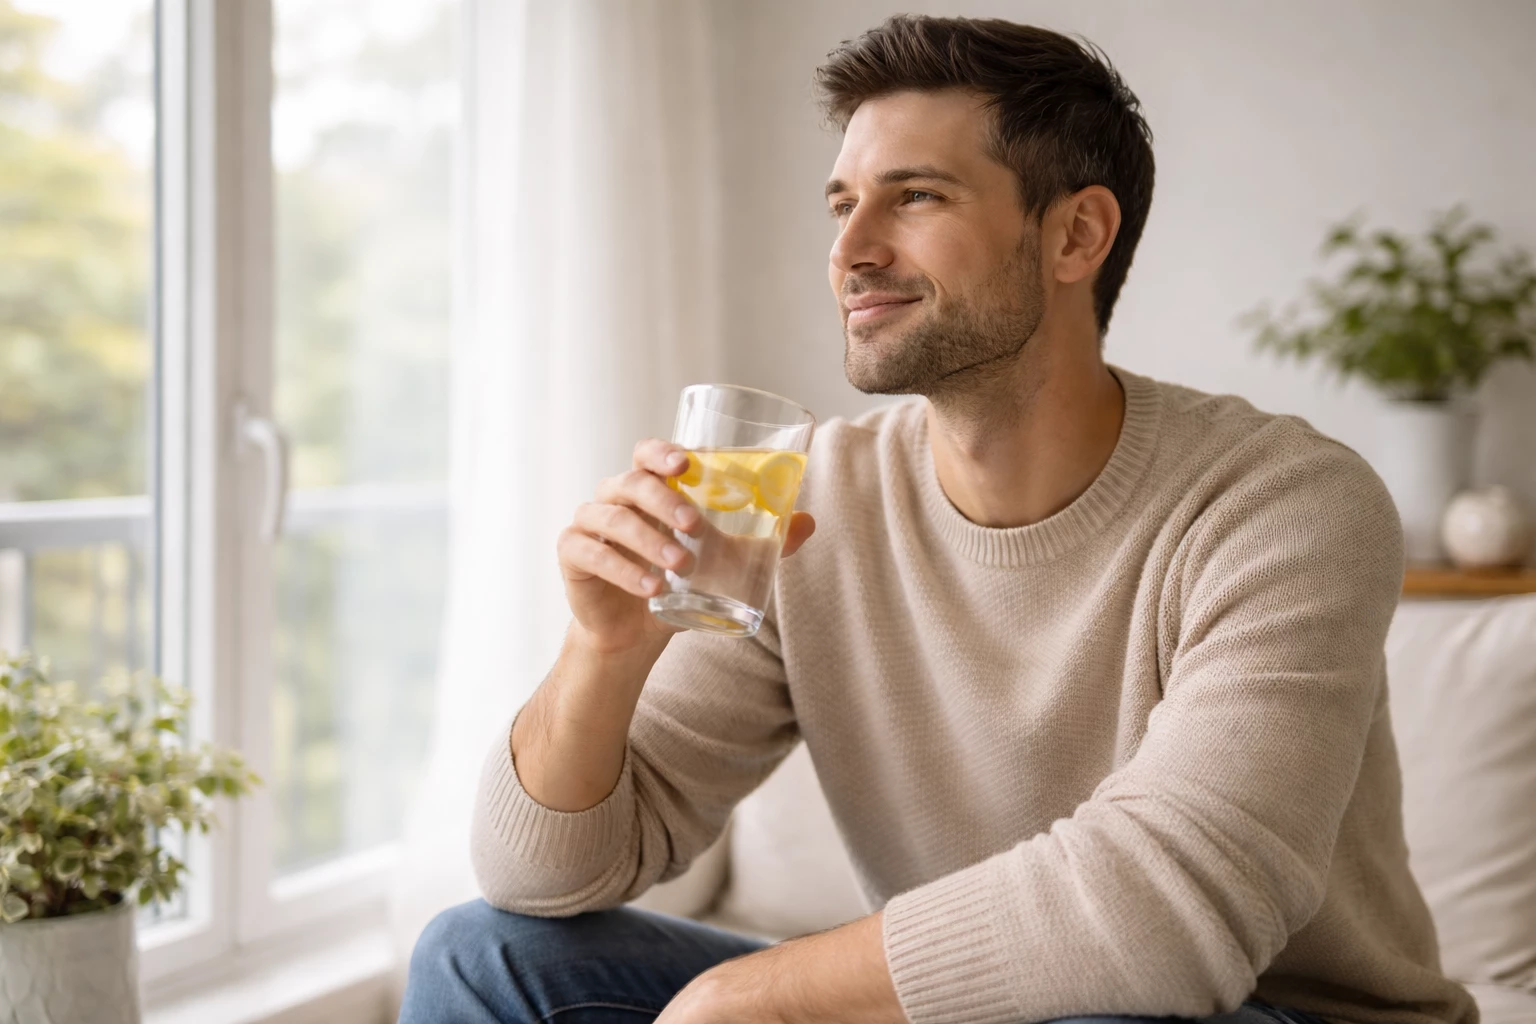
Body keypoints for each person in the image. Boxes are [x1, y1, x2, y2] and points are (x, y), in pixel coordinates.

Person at [399, 15, 1477, 1024]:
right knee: (480, 955)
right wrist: (603, 650)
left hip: (1261, 1009)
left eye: (914, 197)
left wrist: (751, 997)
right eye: (841, 203)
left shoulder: (1284, 501)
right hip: (988, 1002)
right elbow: (539, 875)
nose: (851, 249)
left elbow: (1168, 913)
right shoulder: (813, 497)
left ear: (1075, 236)